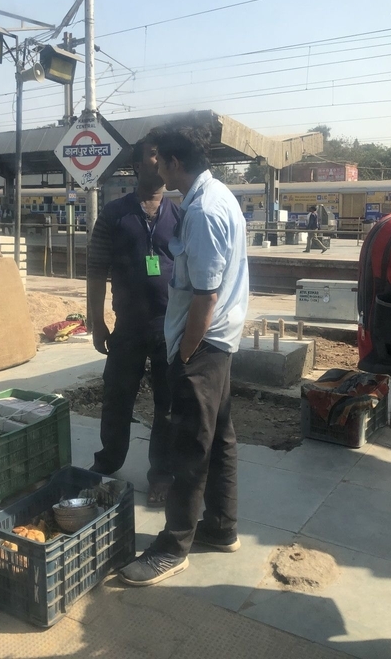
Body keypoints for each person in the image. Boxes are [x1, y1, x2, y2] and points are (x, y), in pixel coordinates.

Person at [118, 124, 249, 586]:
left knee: (189, 444)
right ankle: (220, 527)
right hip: (218, 343)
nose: (156, 169)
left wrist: (186, 353)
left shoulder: (203, 211)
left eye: (160, 162)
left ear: (175, 164)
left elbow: (205, 294)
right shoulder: (217, 198)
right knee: (220, 437)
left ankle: (173, 546)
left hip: (203, 343)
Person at [88, 138, 180, 507]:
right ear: (137, 166)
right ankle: (107, 461)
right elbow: (95, 271)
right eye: (152, 157)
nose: (158, 164)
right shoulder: (114, 214)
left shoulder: (181, 215)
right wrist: (97, 321)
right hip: (127, 326)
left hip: (169, 327)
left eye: (162, 157)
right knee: (116, 397)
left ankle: (161, 473)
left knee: (168, 406)